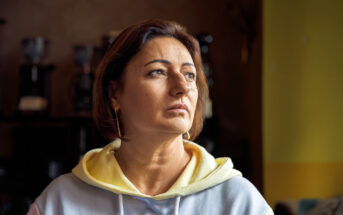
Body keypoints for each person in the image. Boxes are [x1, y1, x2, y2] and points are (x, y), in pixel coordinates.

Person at [27, 19, 273, 215]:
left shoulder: (237, 201)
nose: (182, 87)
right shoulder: (60, 203)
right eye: (158, 72)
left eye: (189, 75)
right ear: (115, 93)